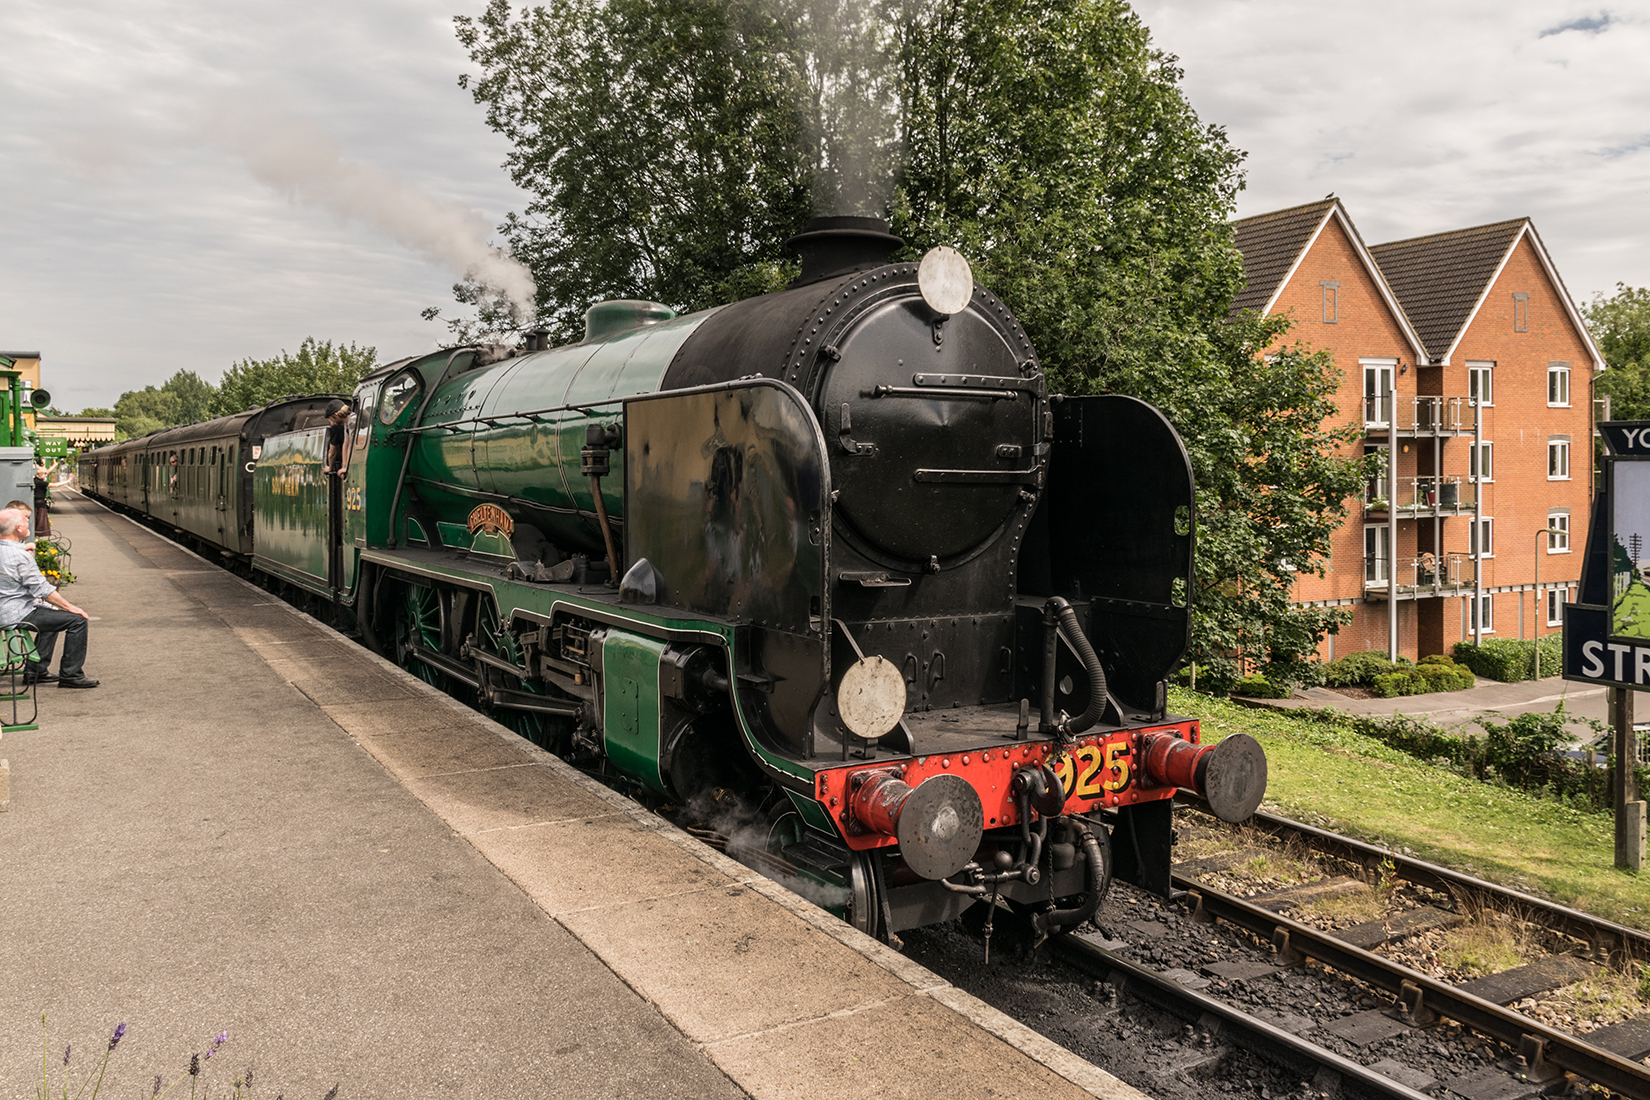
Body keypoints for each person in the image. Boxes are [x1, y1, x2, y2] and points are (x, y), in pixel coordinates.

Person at [0, 507, 97, 688]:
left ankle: (35, 671)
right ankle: (71, 674)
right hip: (14, 613)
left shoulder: (12, 551)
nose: (29, 522)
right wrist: (70, 607)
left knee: (49, 613)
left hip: (6, 609)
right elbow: (43, 589)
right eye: (25, 520)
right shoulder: (20, 556)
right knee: (77, 621)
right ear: (18, 529)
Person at [321, 400, 351, 478]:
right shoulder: (349, 421)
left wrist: (330, 468)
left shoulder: (336, 427)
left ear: (335, 415)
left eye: (331, 420)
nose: (332, 422)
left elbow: (332, 453)